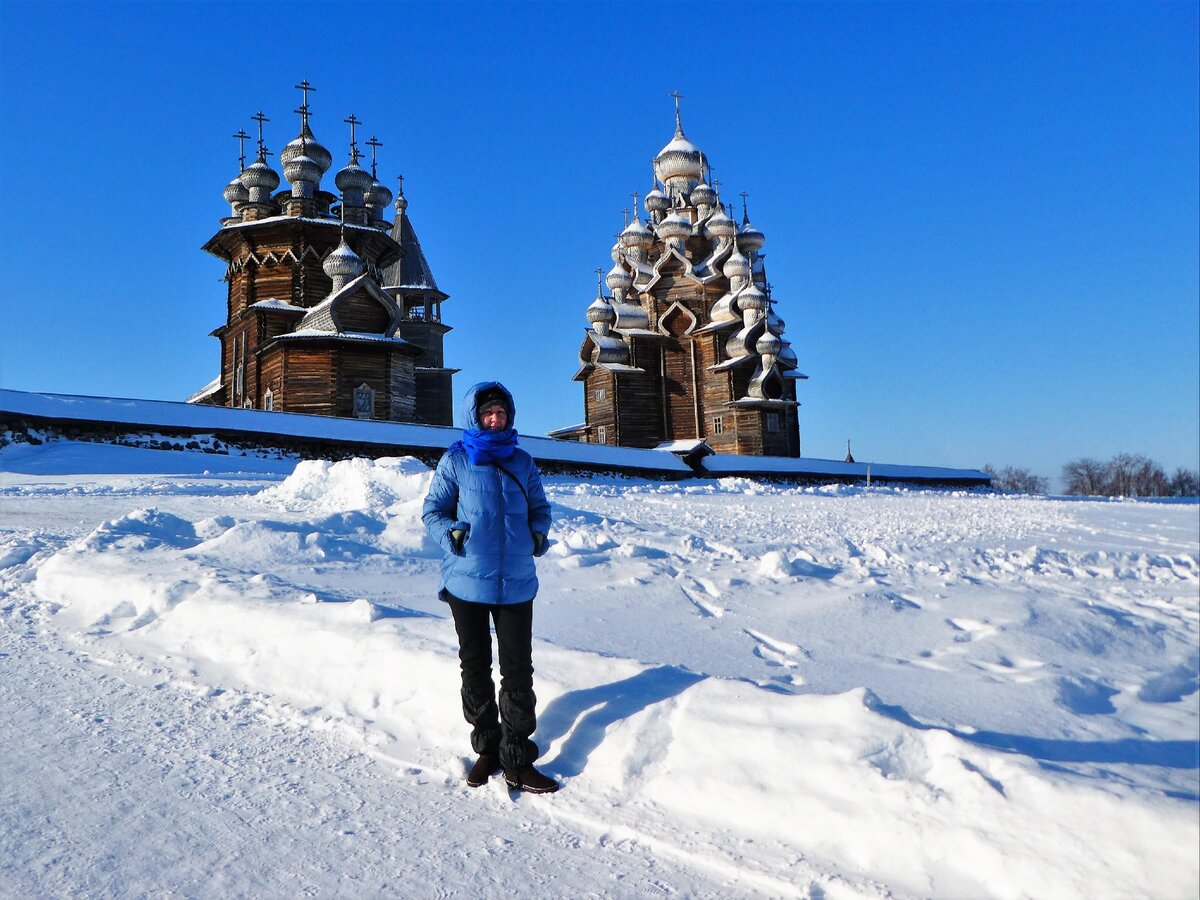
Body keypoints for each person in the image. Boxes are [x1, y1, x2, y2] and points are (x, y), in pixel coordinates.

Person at [422, 381, 558, 793]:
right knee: (476, 665)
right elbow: (433, 511)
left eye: (500, 413)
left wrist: (538, 533)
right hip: (467, 581)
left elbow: (540, 507)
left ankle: (517, 757)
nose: (494, 419)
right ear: (474, 417)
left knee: (518, 669)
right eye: (487, 413)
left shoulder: (523, 461)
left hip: (516, 581)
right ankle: (487, 747)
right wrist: (453, 534)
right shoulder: (457, 460)